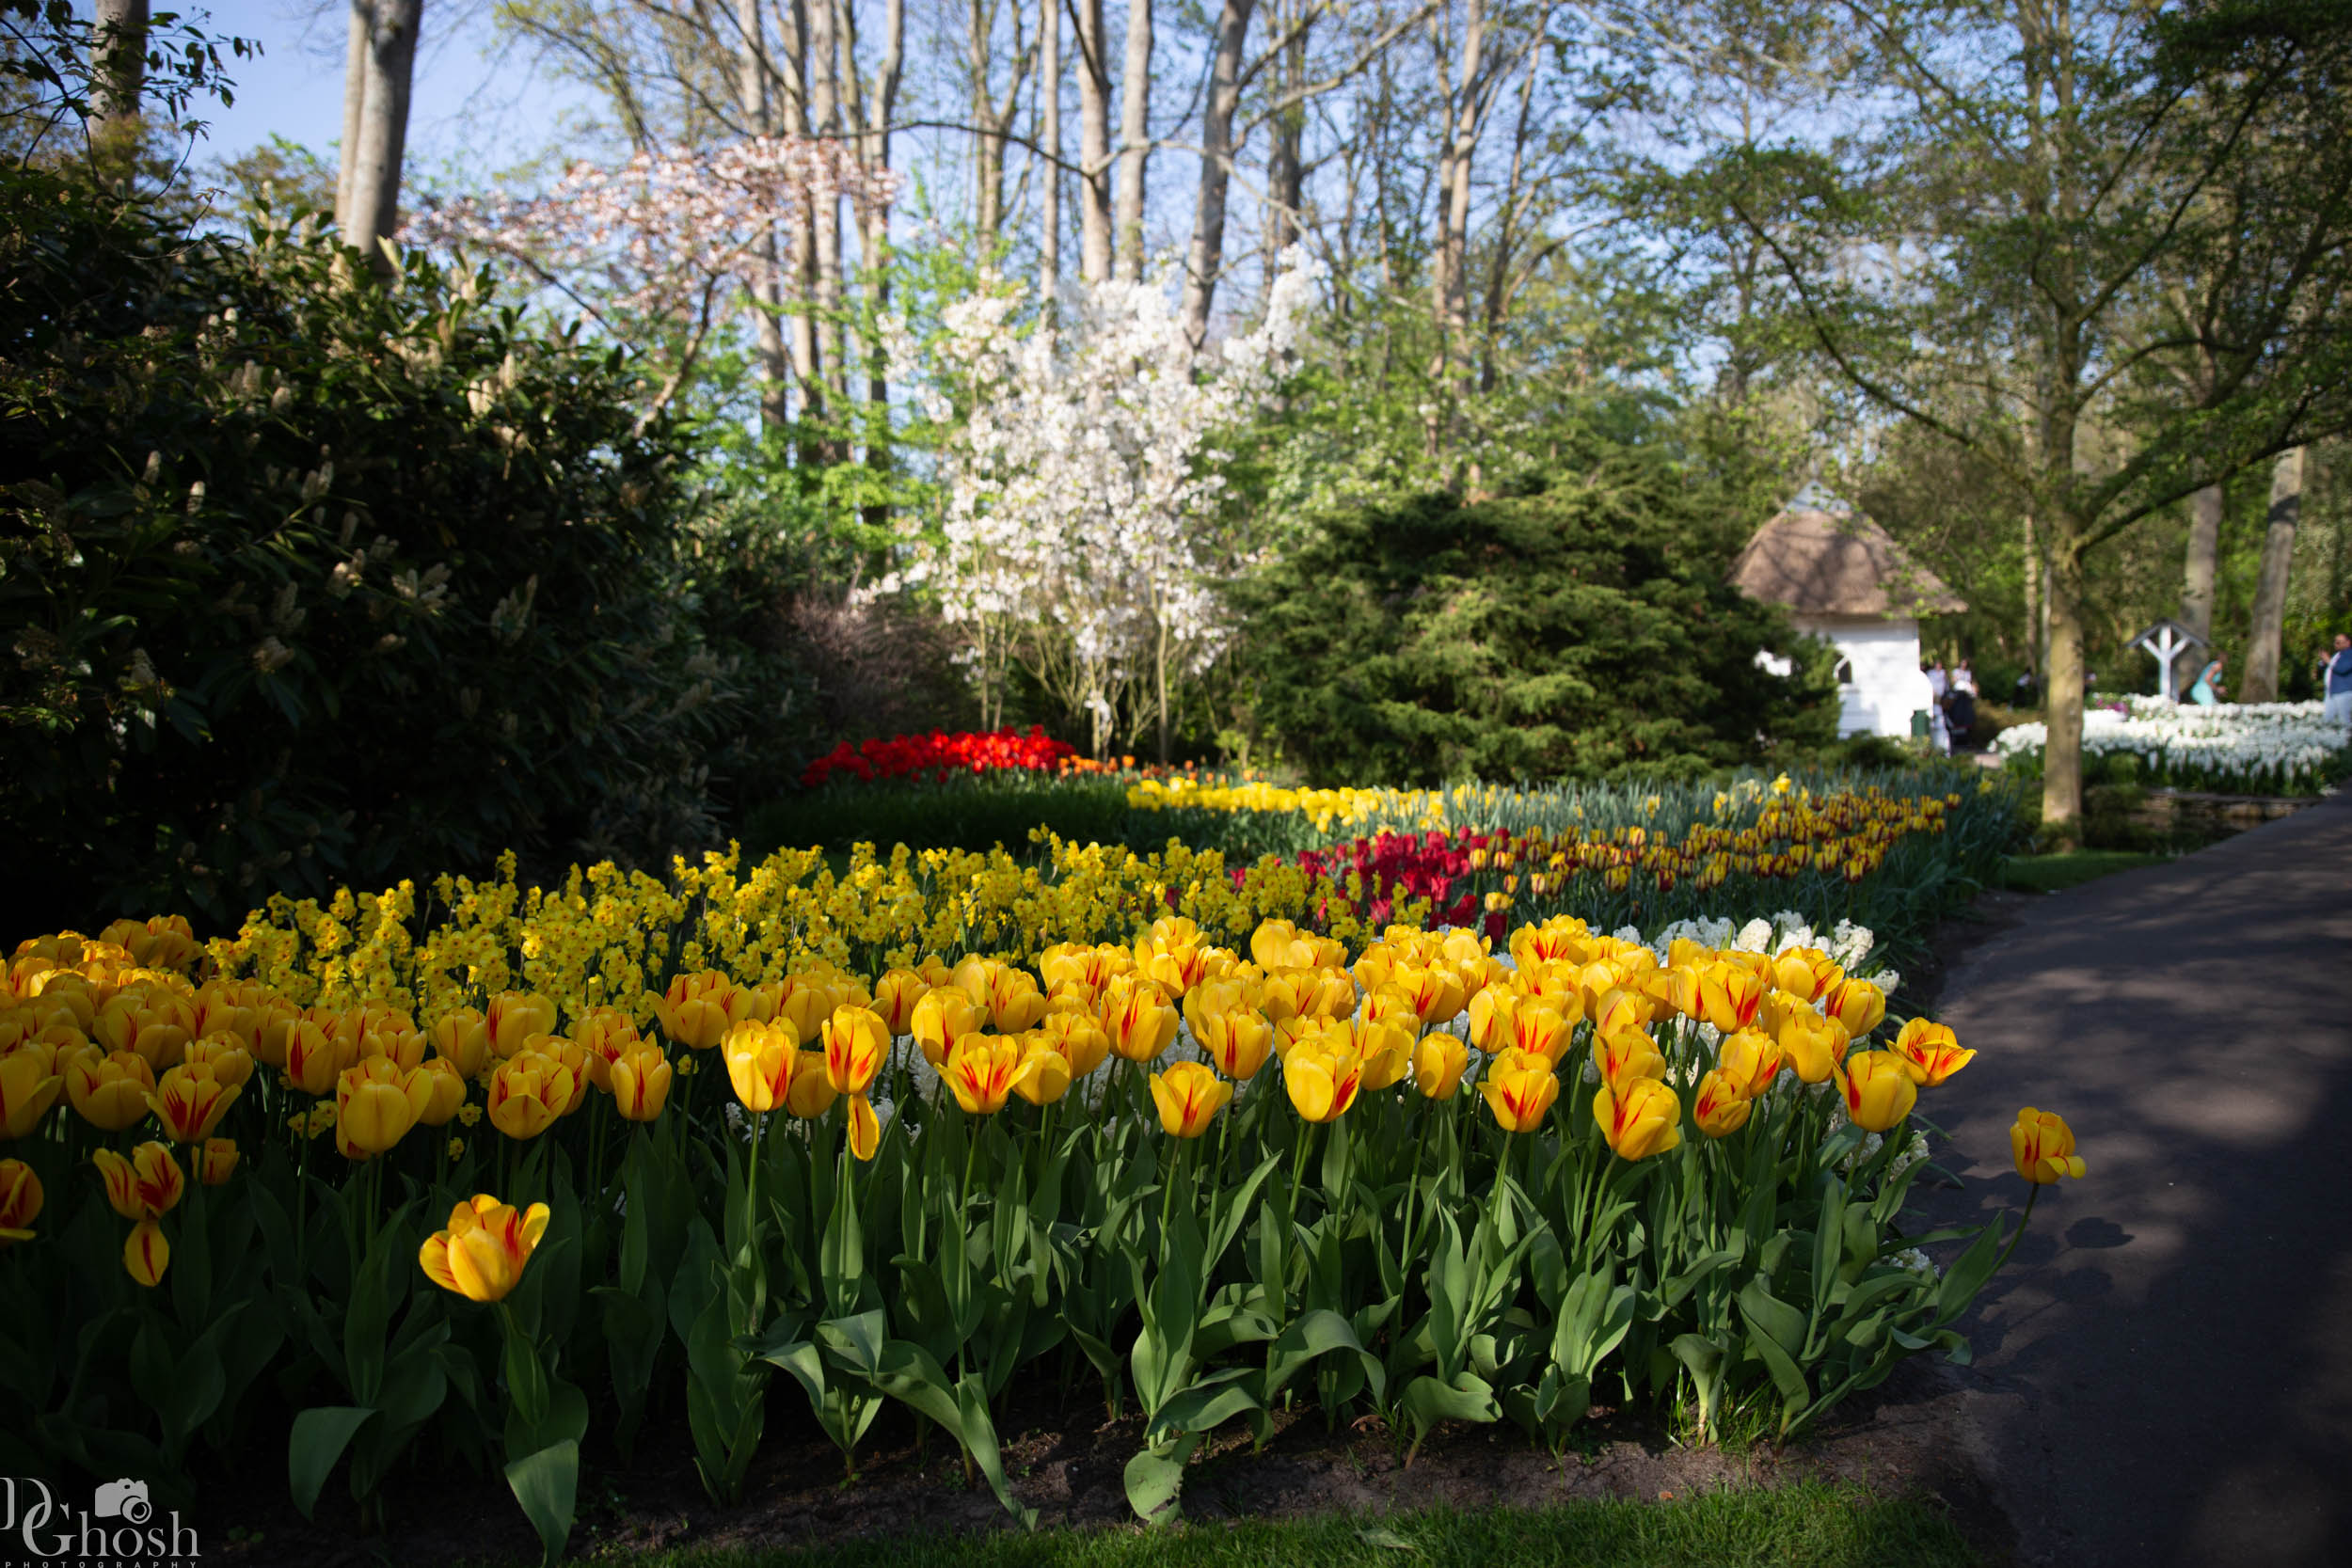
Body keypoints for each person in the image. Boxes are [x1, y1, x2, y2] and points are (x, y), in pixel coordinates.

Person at [2324, 633, 2352, 724]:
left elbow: (2342, 669)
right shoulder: (2337, 655)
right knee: (2327, 719)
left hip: (2344, 692)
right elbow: (2328, 666)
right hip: (2332, 691)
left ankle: (2347, 738)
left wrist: (2328, 660)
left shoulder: (2350, 654)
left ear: (2348, 642)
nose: (2336, 644)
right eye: (2335, 642)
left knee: (2344, 719)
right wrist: (2324, 662)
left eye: (2339, 642)